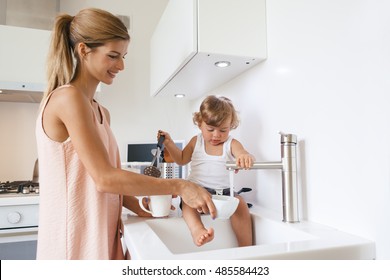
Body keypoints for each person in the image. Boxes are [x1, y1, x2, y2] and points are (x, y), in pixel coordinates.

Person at [35, 8, 216, 260]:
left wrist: (137, 205)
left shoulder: (100, 111)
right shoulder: (68, 98)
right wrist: (180, 185)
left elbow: (99, 182)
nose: (121, 65)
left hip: (102, 232)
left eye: (123, 56)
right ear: (84, 50)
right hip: (75, 241)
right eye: (112, 56)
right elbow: (105, 178)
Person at [159, 95, 255, 247]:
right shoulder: (196, 142)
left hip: (224, 194)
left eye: (223, 130)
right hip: (197, 191)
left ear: (231, 126)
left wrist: (245, 157)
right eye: (210, 129)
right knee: (187, 204)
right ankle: (197, 230)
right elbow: (182, 159)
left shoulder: (231, 143)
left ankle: (246, 247)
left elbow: (242, 152)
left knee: (241, 205)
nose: (216, 135)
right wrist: (169, 144)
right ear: (199, 124)